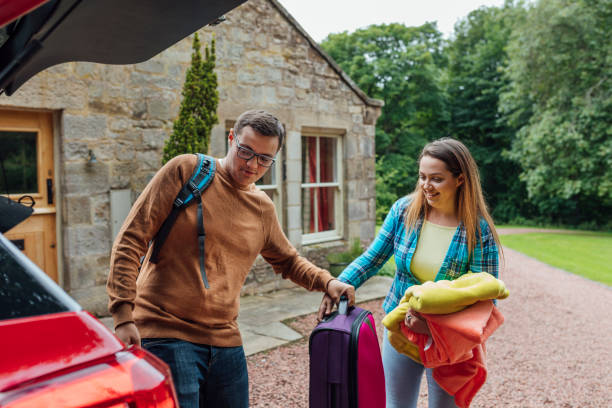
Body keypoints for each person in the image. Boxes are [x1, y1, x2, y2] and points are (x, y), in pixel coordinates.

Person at [107, 109, 355, 408]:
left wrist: (328, 282)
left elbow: (288, 260)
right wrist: (122, 314)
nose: (252, 165)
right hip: (165, 332)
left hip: (226, 343)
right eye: (245, 151)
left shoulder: (262, 208)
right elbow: (131, 238)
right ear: (230, 138)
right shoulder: (186, 171)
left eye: (265, 159)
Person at [318, 137, 501, 408]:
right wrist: (338, 284)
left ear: (460, 179)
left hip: (450, 342)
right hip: (400, 327)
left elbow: (485, 301)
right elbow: (373, 258)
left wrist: (434, 328)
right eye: (422, 177)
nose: (426, 186)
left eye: (436, 178)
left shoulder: (478, 230)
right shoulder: (404, 210)